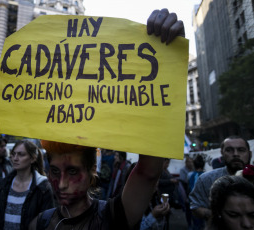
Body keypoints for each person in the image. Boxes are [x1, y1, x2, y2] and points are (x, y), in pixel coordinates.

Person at [27, 8, 185, 230]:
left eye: (73, 171)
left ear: (93, 169)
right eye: (54, 171)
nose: (61, 184)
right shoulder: (39, 224)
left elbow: (148, 172)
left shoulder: (114, 215)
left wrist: (166, 54)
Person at [189, 136, 252, 227]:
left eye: (241, 150)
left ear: (250, 154)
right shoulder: (206, 179)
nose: (235, 154)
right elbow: (195, 206)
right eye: (229, 150)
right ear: (222, 153)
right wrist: (218, 217)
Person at [0, 139, 55, 230]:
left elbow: (46, 222)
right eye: (13, 154)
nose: (15, 158)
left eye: (21, 154)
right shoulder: (3, 185)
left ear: (33, 158)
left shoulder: (42, 187)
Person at [187, 154, 205, 230]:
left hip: (193, 201)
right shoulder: (206, 175)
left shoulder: (190, 175)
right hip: (203, 202)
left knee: (195, 221)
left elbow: (188, 188)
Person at [178, 156, 194, 229]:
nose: (190, 163)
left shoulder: (194, 170)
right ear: (186, 163)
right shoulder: (183, 170)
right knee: (188, 210)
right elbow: (183, 180)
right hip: (186, 192)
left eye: (191, 161)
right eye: (188, 162)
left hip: (193, 192)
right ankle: (189, 224)